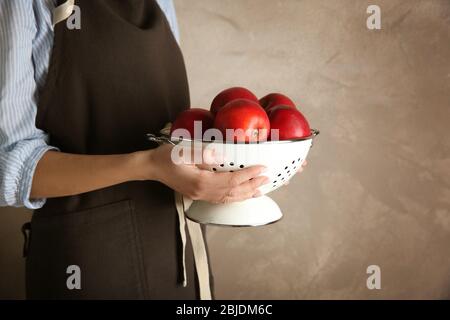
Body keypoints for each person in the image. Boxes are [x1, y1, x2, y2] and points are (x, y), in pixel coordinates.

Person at [0, 0, 305, 299]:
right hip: (90, 264)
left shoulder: (162, 3)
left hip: (177, 253)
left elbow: (169, 142)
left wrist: (247, 163)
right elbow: (10, 169)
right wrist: (149, 165)